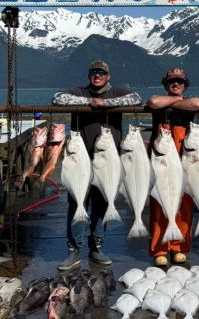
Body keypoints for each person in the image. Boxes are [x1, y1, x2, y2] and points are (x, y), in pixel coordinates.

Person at [52, 60, 142, 270]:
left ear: (108, 76)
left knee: (102, 203)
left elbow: (137, 98)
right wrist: (89, 101)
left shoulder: (118, 92)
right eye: (93, 72)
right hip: (80, 160)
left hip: (108, 161)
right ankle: (74, 250)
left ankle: (96, 248)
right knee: (76, 203)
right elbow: (56, 98)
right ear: (89, 75)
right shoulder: (80, 92)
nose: (97, 75)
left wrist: (104, 104)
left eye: (101, 72)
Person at [146, 67, 199, 267]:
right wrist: (178, 101)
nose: (176, 84)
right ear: (165, 84)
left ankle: (179, 247)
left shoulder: (190, 100)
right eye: (172, 82)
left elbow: (197, 103)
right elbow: (153, 102)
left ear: (185, 84)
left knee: (184, 202)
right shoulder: (159, 100)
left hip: (184, 154)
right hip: (161, 156)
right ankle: (159, 249)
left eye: (179, 81)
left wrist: (173, 102)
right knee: (159, 201)